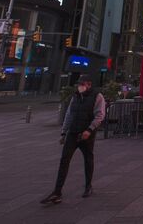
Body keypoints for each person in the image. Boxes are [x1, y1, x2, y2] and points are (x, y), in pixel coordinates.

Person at [40, 74, 106, 204]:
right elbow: (69, 114)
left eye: (82, 84)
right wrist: (64, 133)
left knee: (88, 159)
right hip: (72, 132)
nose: (80, 86)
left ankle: (88, 186)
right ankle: (57, 191)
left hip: (86, 133)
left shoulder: (97, 96)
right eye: (79, 84)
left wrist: (90, 129)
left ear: (89, 84)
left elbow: (100, 115)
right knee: (64, 160)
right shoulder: (75, 96)